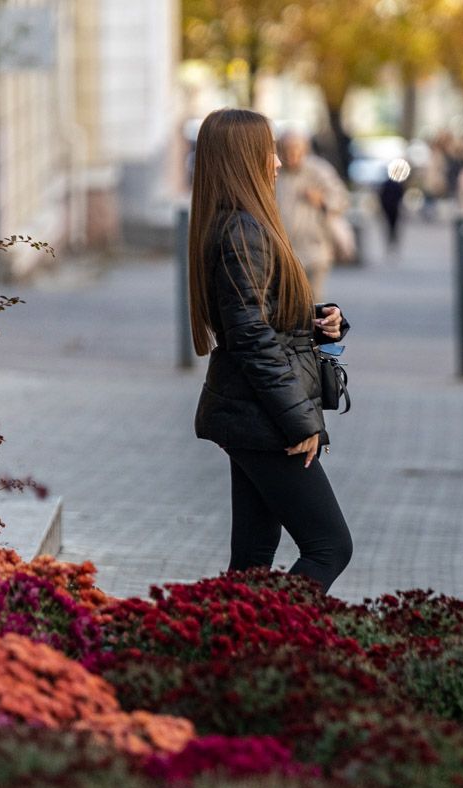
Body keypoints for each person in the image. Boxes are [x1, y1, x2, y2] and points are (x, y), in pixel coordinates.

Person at [189, 108, 353, 593]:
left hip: (251, 414)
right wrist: (301, 422)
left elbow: (260, 318)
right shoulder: (243, 231)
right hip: (264, 419)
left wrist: (321, 321)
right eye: (269, 152)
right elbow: (251, 340)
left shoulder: (238, 225)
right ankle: (274, 647)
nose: (279, 163)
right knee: (329, 548)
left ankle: (226, 656)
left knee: (253, 561)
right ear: (244, 160)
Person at [276, 130, 352, 300]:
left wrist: (322, 200)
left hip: (315, 248)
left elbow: (342, 200)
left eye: (295, 149)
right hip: (284, 250)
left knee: (312, 299)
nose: (290, 154)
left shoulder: (318, 170)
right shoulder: (276, 172)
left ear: (305, 149)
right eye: (285, 149)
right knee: (288, 298)